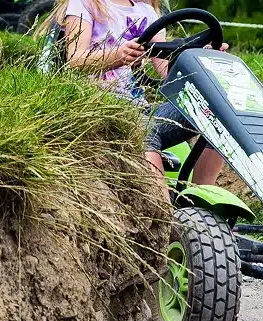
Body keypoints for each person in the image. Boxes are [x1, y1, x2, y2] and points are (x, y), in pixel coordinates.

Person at [42, 0, 228, 190]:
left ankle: (201, 198)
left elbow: (167, 69)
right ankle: (164, 215)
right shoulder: (84, 4)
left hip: (139, 110)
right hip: (101, 111)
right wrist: (117, 55)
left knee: (217, 111)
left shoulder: (145, 11)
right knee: (145, 131)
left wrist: (203, 56)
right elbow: (75, 58)